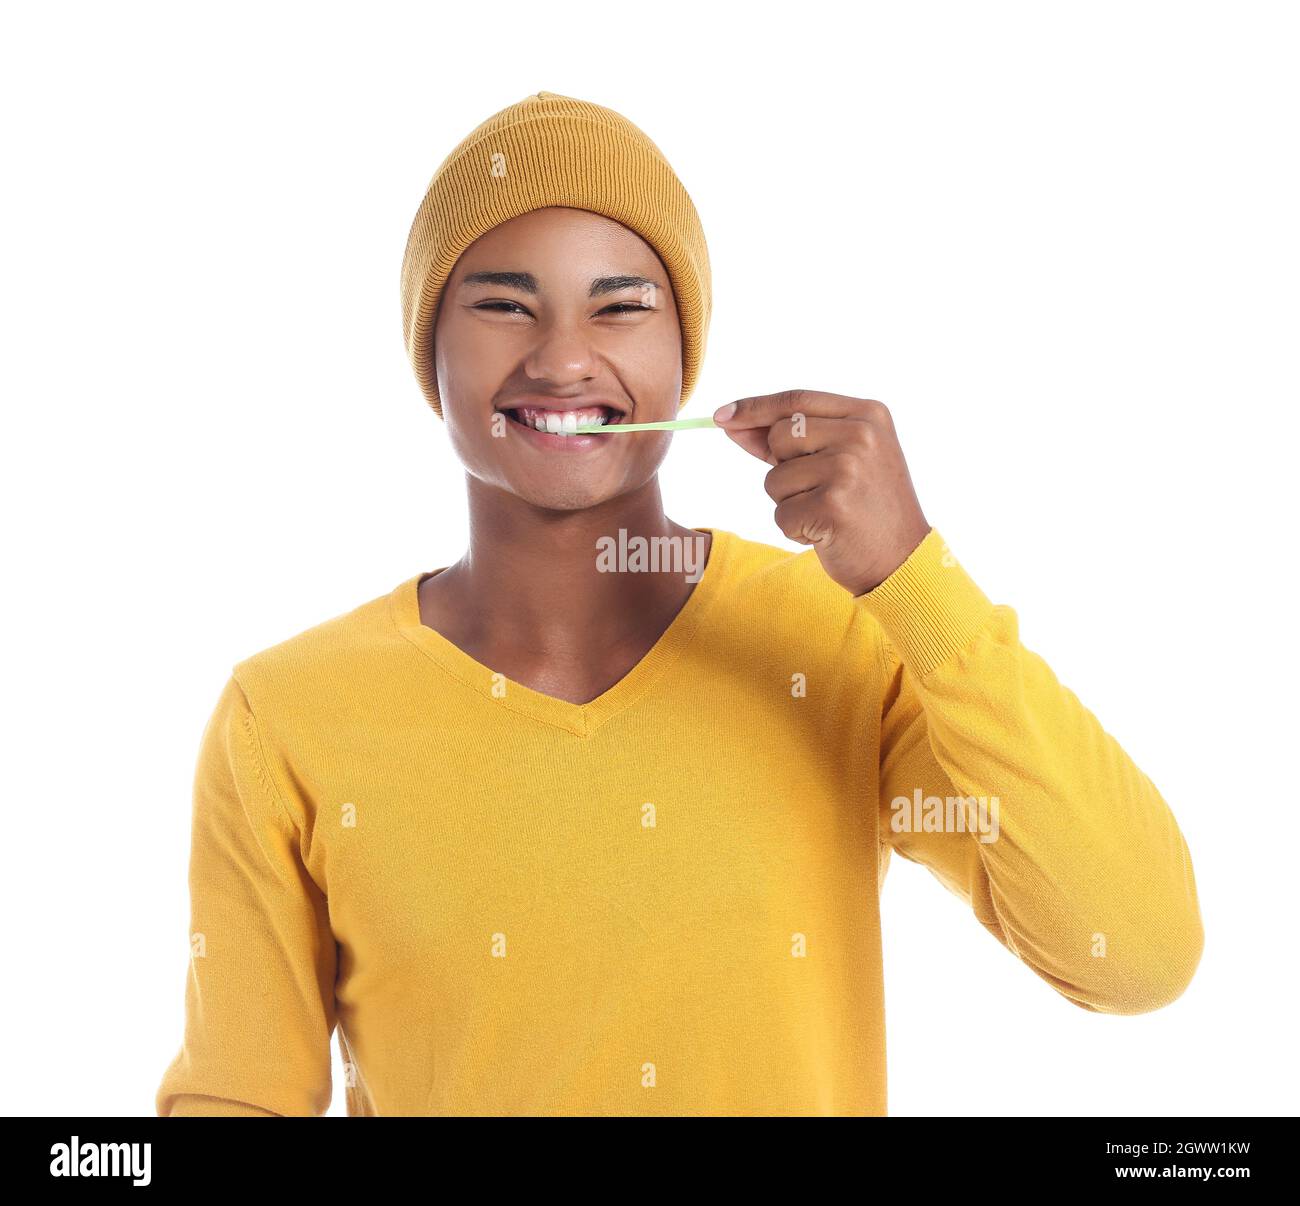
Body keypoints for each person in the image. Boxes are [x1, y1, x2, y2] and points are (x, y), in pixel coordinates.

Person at [155, 91, 1203, 1117]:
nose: (564, 358)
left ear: (684, 356)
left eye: (620, 306)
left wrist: (912, 577)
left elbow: (1135, 953)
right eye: (503, 303)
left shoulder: (837, 646)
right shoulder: (287, 716)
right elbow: (238, 1098)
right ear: (428, 352)